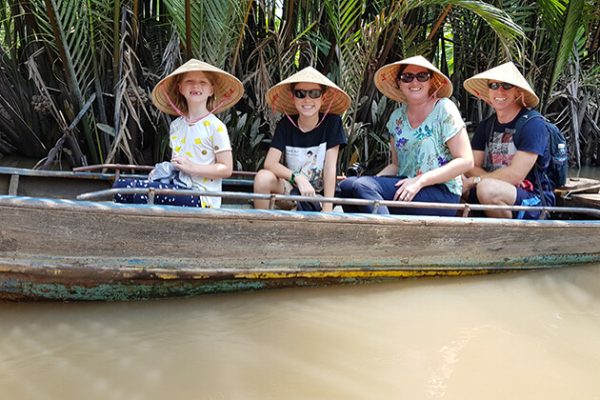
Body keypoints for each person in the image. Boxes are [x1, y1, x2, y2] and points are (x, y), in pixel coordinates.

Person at [339, 55, 473, 215]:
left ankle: (385, 238)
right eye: (407, 77)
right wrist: (373, 180)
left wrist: (420, 181)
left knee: (362, 186)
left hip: (441, 191)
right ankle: (365, 237)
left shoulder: (444, 108)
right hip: (406, 188)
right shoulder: (397, 117)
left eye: (422, 76)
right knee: (348, 186)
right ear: (399, 83)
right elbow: (396, 165)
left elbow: (466, 161)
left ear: (431, 82)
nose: (415, 82)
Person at [113, 59, 244, 208]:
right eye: (189, 81)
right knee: (120, 186)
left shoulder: (216, 127)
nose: (196, 86)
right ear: (180, 88)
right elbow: (178, 164)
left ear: (211, 90)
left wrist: (193, 168)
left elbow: (226, 169)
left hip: (202, 197)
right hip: (177, 185)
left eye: (203, 82)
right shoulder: (176, 126)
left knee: (144, 192)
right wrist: (161, 171)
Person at [462, 61, 554, 219]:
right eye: (494, 86)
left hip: (532, 198)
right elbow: (471, 165)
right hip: (493, 190)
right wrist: (475, 180)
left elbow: (515, 175)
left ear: (518, 92)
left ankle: (506, 239)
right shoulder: (487, 125)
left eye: (506, 86)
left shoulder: (533, 125)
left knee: (487, 189)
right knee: (453, 182)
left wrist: (475, 181)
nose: (499, 91)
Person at [253, 67, 351, 212]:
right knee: (262, 178)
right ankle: (260, 228)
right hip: (292, 188)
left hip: (321, 194)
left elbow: (330, 167)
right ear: (293, 98)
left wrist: (327, 208)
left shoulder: (332, 123)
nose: (307, 99)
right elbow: (270, 163)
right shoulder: (285, 124)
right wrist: (298, 178)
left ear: (323, 98)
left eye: (314, 93)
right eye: (300, 94)